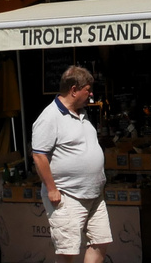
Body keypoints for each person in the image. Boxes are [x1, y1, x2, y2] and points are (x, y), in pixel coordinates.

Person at [31, 66, 110, 263]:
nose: (91, 94)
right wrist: (51, 189)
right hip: (67, 195)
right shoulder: (49, 117)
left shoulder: (82, 113)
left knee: (101, 242)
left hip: (94, 194)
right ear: (74, 90)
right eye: (88, 90)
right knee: (68, 252)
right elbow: (39, 155)